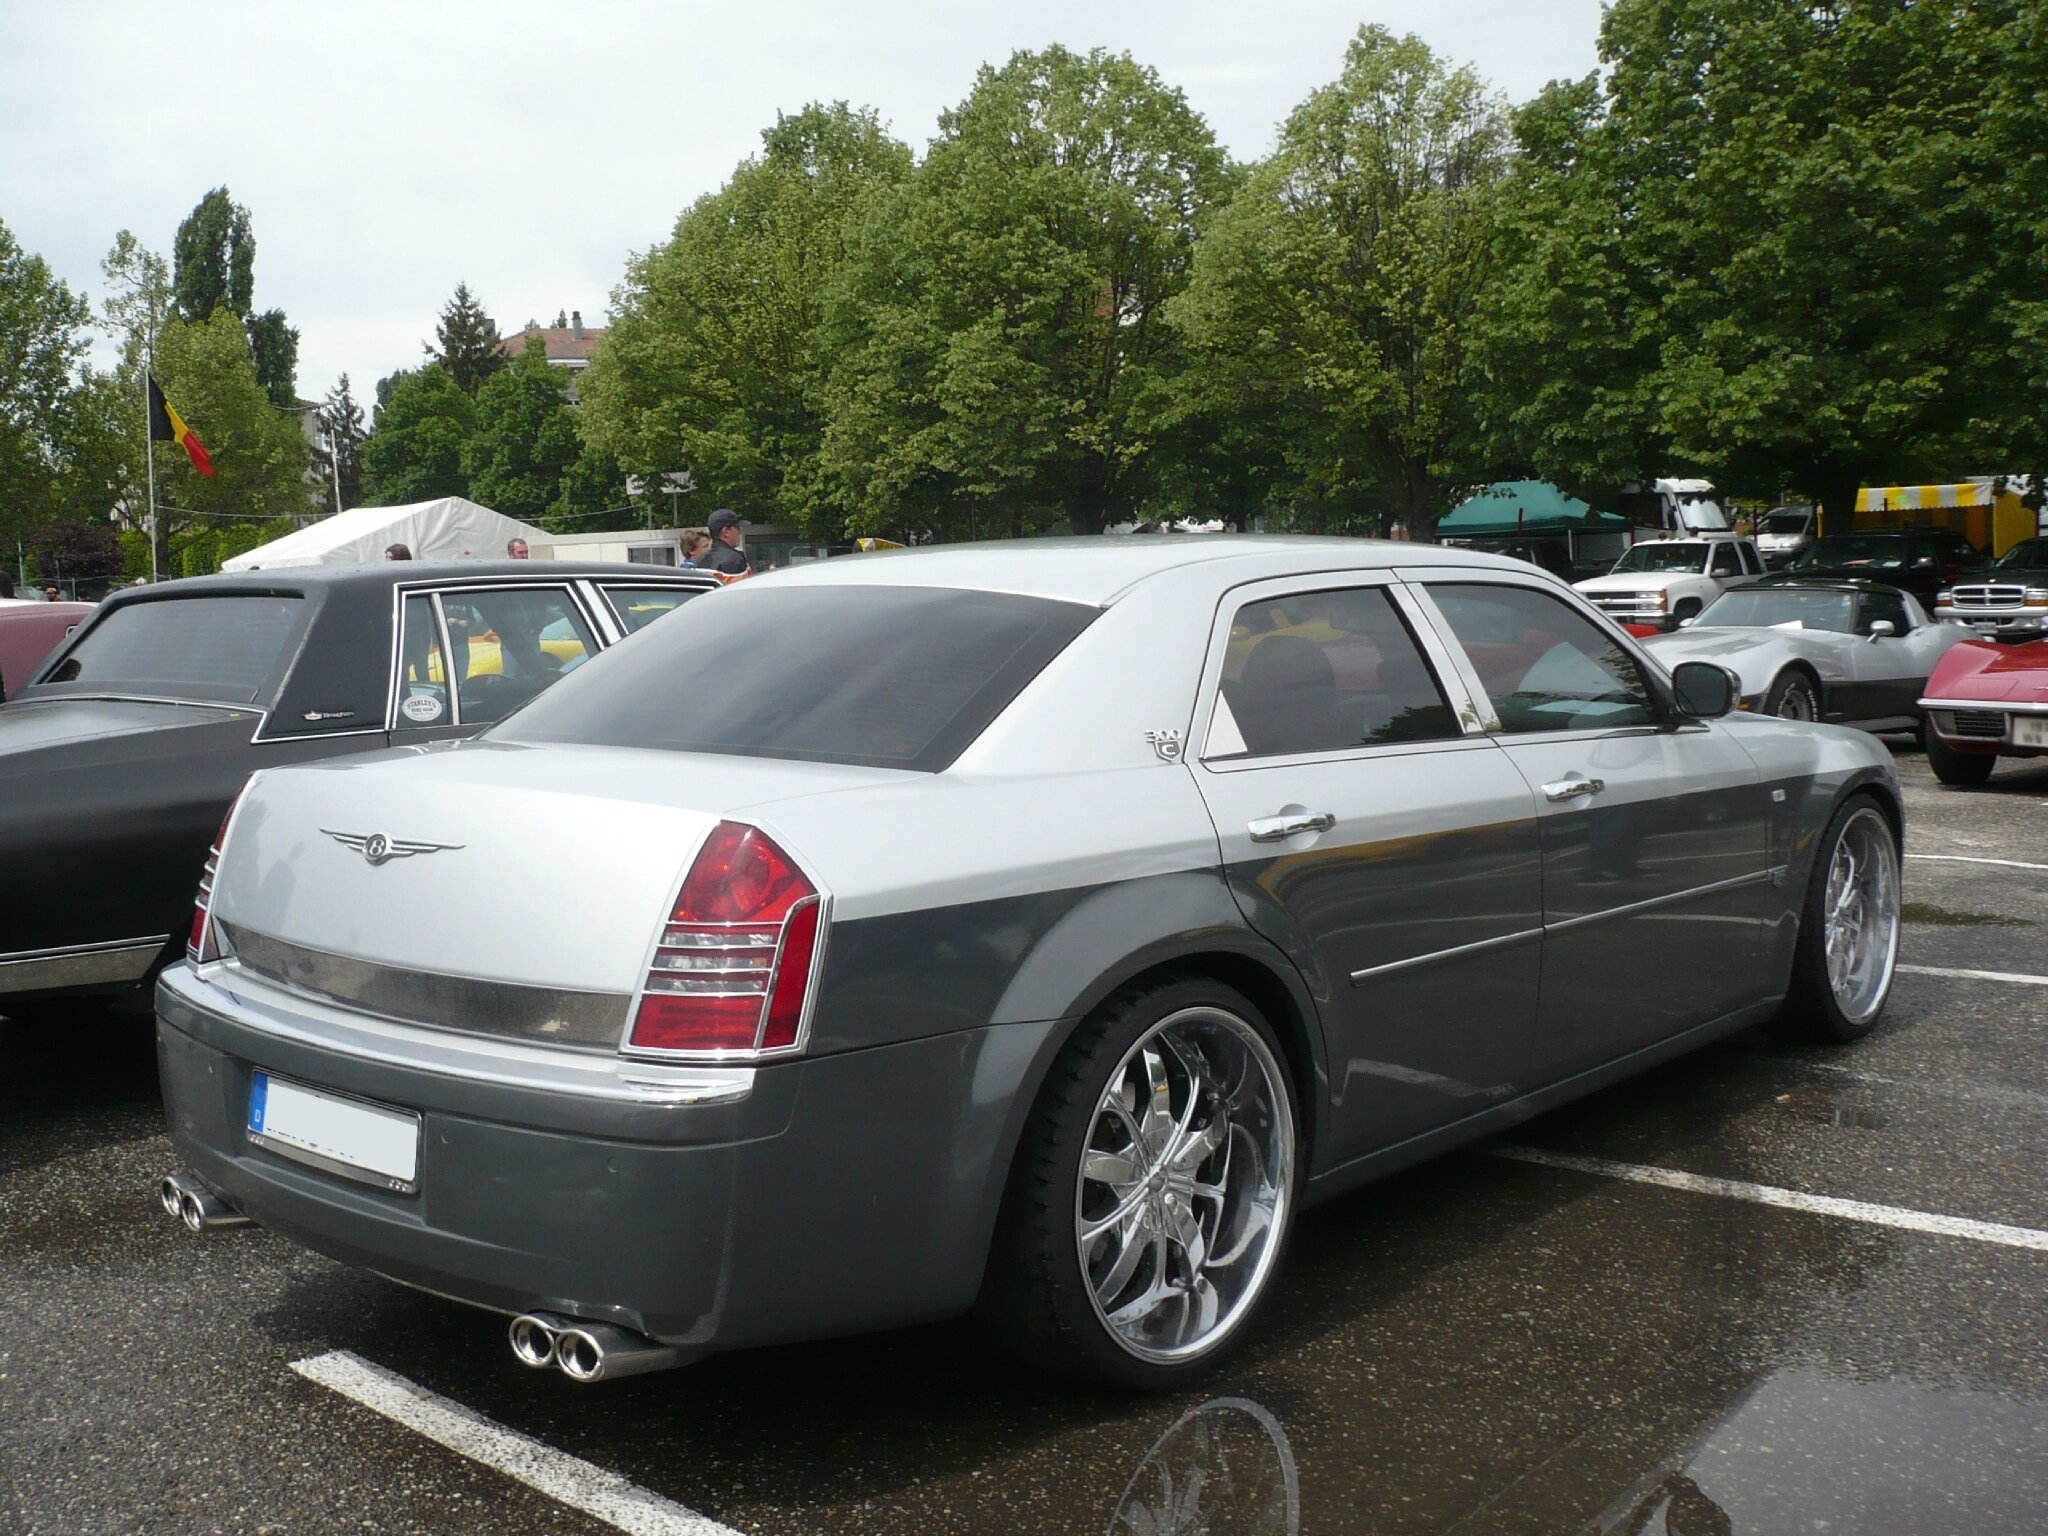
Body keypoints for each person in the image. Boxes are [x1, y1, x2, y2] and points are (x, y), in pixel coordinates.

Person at [701, 509, 751, 581]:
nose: (740, 532)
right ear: (726, 532)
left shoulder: (700, 559)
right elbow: (742, 590)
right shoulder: (735, 559)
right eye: (737, 527)